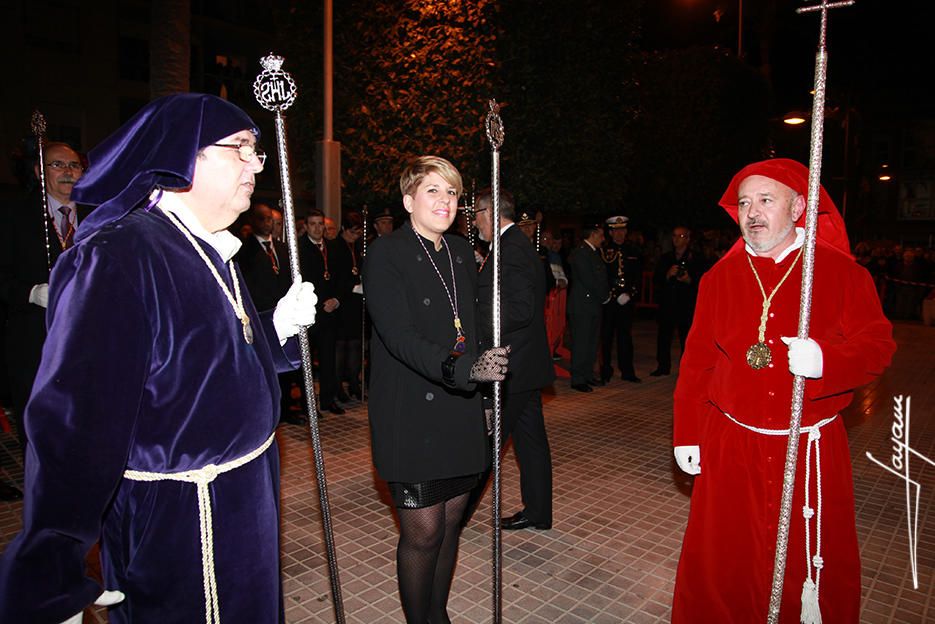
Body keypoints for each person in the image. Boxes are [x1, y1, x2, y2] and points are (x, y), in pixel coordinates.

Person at [0, 93, 317, 624]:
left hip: (246, 500)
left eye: (258, 150)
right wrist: (52, 574)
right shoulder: (118, 255)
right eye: (240, 148)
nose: (257, 163)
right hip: (183, 524)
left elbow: (204, 355)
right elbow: (76, 424)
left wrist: (275, 328)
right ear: (182, 154)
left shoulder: (207, 243)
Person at [671, 159, 896, 623]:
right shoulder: (717, 280)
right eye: (744, 204)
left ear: (798, 207)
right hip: (731, 444)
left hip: (810, 449)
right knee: (725, 560)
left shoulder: (840, 273)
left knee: (806, 563)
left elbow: (878, 347)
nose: (751, 213)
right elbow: (697, 365)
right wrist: (687, 433)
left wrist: (827, 363)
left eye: (765, 201)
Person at [362, 155, 508, 624]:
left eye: (451, 193)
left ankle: (437, 615)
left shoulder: (461, 251)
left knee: (449, 528)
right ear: (409, 201)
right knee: (423, 532)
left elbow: (476, 326)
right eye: (433, 191)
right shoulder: (386, 254)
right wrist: (465, 369)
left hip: (461, 406)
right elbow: (400, 337)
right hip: (411, 406)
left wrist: (484, 395)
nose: (445, 201)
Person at [0, 142, 87, 503]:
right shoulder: (14, 215)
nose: (67, 172)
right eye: (57, 165)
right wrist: (32, 291)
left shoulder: (99, 215)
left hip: (89, 340)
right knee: (39, 423)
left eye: (75, 165)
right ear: (40, 171)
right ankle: (46, 499)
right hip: (33, 339)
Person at [474, 188, 554, 531]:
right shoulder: (510, 248)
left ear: (491, 212)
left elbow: (520, 309)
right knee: (530, 441)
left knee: (485, 443)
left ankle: (453, 515)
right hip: (525, 364)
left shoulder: (511, 251)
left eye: (475, 211)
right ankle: (538, 512)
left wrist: (478, 323)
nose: (473, 218)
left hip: (512, 366)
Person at [234, 202, 304, 424]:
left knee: (286, 365)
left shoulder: (283, 249)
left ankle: (286, 409)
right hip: (260, 316)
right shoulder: (243, 251)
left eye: (271, 220)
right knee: (266, 368)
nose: (268, 223)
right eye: (263, 219)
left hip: (283, 315)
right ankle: (269, 409)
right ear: (253, 221)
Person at [300, 209, 352, 414]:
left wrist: (337, 300)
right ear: (306, 226)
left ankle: (328, 399)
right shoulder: (300, 249)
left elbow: (343, 277)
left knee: (328, 359)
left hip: (331, 312)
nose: (317, 228)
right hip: (310, 314)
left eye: (320, 223)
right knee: (307, 363)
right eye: (312, 224)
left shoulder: (333, 247)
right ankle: (308, 405)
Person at [650, 225, 706, 376]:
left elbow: (703, 282)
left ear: (687, 238)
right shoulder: (666, 258)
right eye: (674, 236)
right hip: (668, 304)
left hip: (686, 305)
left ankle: (687, 369)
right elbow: (657, 280)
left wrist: (689, 280)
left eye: (680, 236)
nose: (676, 240)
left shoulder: (696, 258)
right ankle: (663, 366)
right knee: (664, 336)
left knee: (686, 339)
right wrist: (667, 275)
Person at [567, 219, 609, 392]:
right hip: (582, 305)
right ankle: (577, 378)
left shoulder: (592, 252)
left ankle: (587, 374)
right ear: (593, 235)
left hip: (592, 304)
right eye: (601, 235)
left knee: (591, 342)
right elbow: (589, 280)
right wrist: (605, 296)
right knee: (581, 342)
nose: (603, 238)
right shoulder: (581, 253)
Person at [599, 215, 642, 383]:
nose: (619, 234)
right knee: (606, 337)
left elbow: (637, 276)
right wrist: (610, 294)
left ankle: (627, 371)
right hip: (609, 301)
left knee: (625, 337)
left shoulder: (634, 250)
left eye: (622, 230)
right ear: (610, 232)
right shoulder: (603, 249)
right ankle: (605, 371)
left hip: (626, 301)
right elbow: (602, 276)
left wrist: (631, 294)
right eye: (616, 231)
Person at [334, 211, 365, 401]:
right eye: (352, 232)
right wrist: (352, 287)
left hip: (355, 304)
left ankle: (354, 382)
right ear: (344, 229)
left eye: (358, 233)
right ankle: (338, 386)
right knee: (341, 347)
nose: (356, 236)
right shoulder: (336, 247)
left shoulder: (357, 247)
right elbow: (335, 276)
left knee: (355, 344)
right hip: (342, 302)